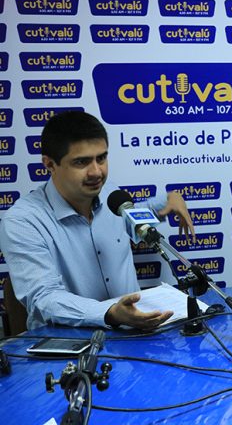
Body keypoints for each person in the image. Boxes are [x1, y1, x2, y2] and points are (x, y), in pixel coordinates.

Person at [0, 111, 195, 331]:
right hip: (72, 343)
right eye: (81, 162)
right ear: (50, 164)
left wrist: (169, 200)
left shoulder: (111, 195)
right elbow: (44, 298)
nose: (96, 172)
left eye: (101, 158)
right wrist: (109, 313)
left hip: (138, 335)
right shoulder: (23, 221)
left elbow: (136, 215)